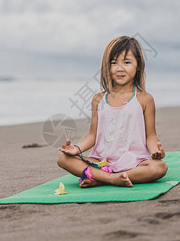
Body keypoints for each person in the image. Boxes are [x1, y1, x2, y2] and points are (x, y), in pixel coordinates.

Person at [57, 36, 168, 187]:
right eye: (114, 63)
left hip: (134, 162)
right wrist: (76, 149)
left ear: (138, 66)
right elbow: (92, 135)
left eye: (127, 62)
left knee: (159, 167)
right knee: (63, 159)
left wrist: (156, 150)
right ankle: (110, 178)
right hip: (102, 161)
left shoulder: (145, 99)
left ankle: (100, 178)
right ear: (107, 67)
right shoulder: (98, 99)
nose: (120, 68)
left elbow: (151, 135)